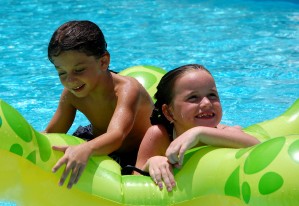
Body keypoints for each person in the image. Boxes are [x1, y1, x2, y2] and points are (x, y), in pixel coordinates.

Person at [44, 20, 154, 189]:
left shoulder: (127, 89)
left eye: (79, 70)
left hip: (138, 151)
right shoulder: (71, 94)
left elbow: (116, 136)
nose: (70, 80)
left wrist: (86, 149)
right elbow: (52, 133)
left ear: (103, 62)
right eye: (62, 73)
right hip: (99, 141)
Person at [134, 64, 260, 192]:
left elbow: (258, 148)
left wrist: (199, 133)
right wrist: (152, 162)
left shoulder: (224, 133)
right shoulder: (160, 135)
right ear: (169, 112)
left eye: (212, 95)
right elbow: (135, 177)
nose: (206, 103)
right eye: (193, 97)